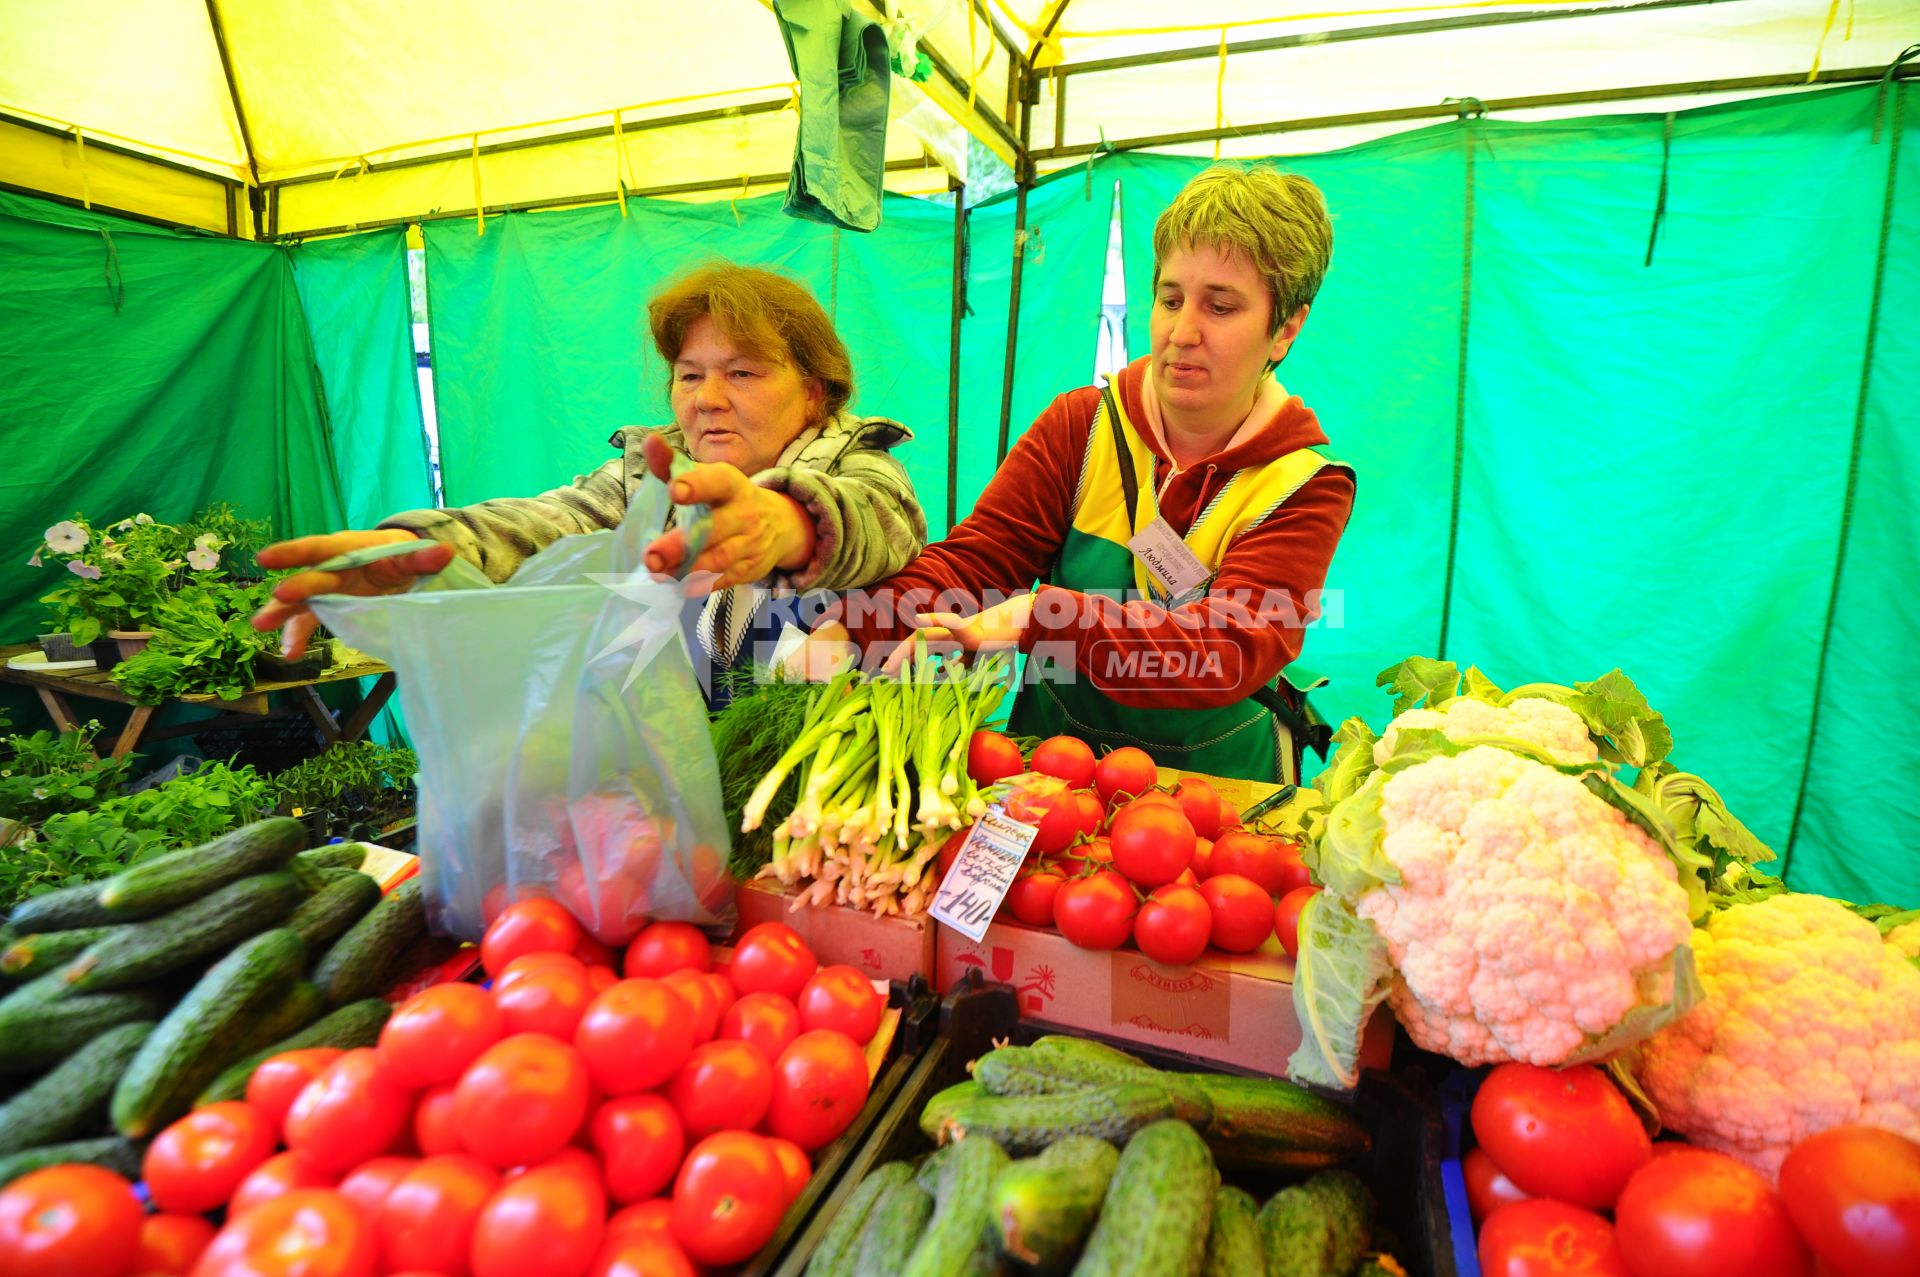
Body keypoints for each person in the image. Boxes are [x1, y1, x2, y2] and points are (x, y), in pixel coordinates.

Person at [813, 162, 1354, 784]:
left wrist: (1037, 617)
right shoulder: (1083, 426)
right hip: (1052, 774)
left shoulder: (1305, 485)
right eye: (1170, 298)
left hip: (1217, 790)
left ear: (1285, 328)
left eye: (1221, 307)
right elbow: (976, 564)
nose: (1181, 333)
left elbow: (1225, 651)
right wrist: (853, 630)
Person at [252, 261, 927, 707]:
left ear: (814, 392)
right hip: (686, 785)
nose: (708, 398)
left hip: (830, 785)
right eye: (690, 374)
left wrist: (782, 523)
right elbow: (546, 523)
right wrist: (413, 545)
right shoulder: (653, 476)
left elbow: (880, 521)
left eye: (743, 372)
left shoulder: (861, 460)